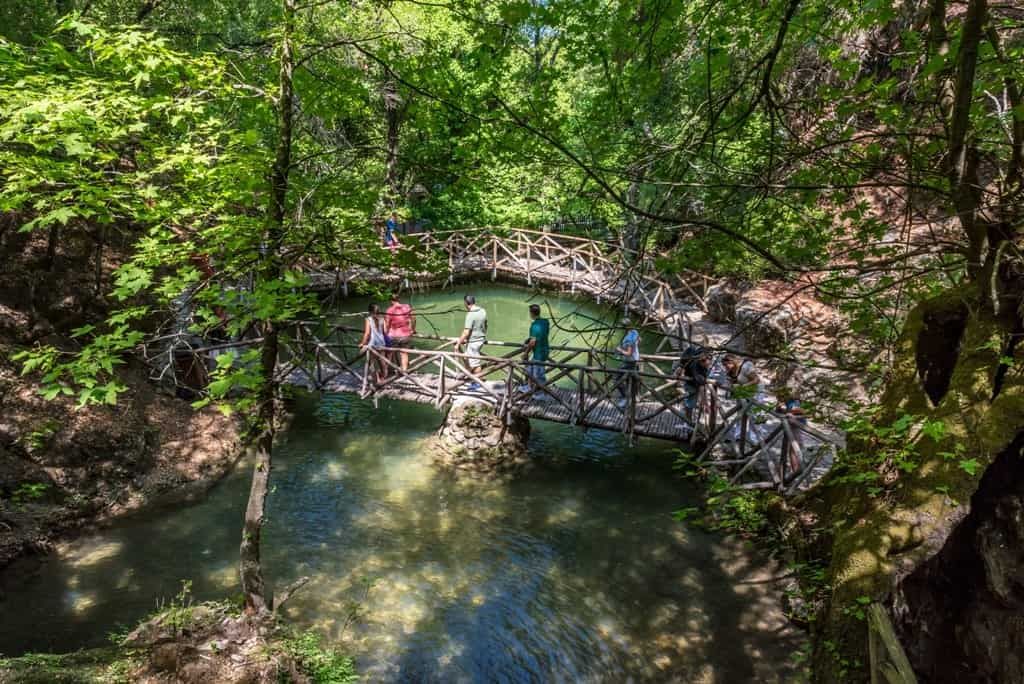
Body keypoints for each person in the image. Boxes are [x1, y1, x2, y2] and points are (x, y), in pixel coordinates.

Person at [454, 294, 487, 390]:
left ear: (466, 303)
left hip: (474, 342)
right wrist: (484, 334)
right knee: (469, 359)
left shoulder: (470, 314)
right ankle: (471, 376)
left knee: (475, 363)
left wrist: (458, 344)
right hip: (481, 339)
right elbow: (486, 324)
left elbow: (466, 332)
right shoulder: (482, 311)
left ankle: (478, 382)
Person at [676, 344, 712, 422]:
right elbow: (702, 387)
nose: (708, 364)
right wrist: (680, 366)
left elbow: (702, 387)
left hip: (742, 391)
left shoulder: (703, 368)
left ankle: (690, 420)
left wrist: (706, 403)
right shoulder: (697, 368)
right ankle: (688, 421)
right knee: (690, 402)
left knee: (742, 404)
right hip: (691, 381)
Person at [520, 303, 550, 393]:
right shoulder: (545, 322)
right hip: (545, 349)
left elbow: (533, 342)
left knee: (538, 374)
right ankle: (529, 387)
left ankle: (540, 393)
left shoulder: (534, 325)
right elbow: (542, 334)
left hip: (539, 353)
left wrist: (526, 353)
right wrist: (529, 339)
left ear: (531, 313)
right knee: (530, 368)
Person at [359, 303, 389, 383]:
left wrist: (362, 343)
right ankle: (384, 377)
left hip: (373, 343)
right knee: (382, 360)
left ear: (370, 311)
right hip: (381, 342)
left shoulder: (368, 319)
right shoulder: (382, 319)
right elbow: (385, 332)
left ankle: (377, 379)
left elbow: (367, 333)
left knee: (371, 362)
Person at [385, 291, 415, 371]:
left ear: (391, 301)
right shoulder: (407, 307)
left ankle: (391, 369)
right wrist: (413, 329)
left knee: (391, 352)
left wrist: (385, 334)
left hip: (393, 335)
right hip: (405, 334)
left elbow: (387, 325)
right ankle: (404, 372)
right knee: (404, 353)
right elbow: (413, 318)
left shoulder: (389, 310)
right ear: (399, 299)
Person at [614, 318, 640, 408]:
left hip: (629, 361)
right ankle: (634, 397)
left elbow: (629, 353)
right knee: (632, 379)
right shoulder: (634, 332)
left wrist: (620, 350)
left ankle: (625, 398)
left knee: (616, 379)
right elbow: (639, 340)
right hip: (635, 360)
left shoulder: (628, 338)